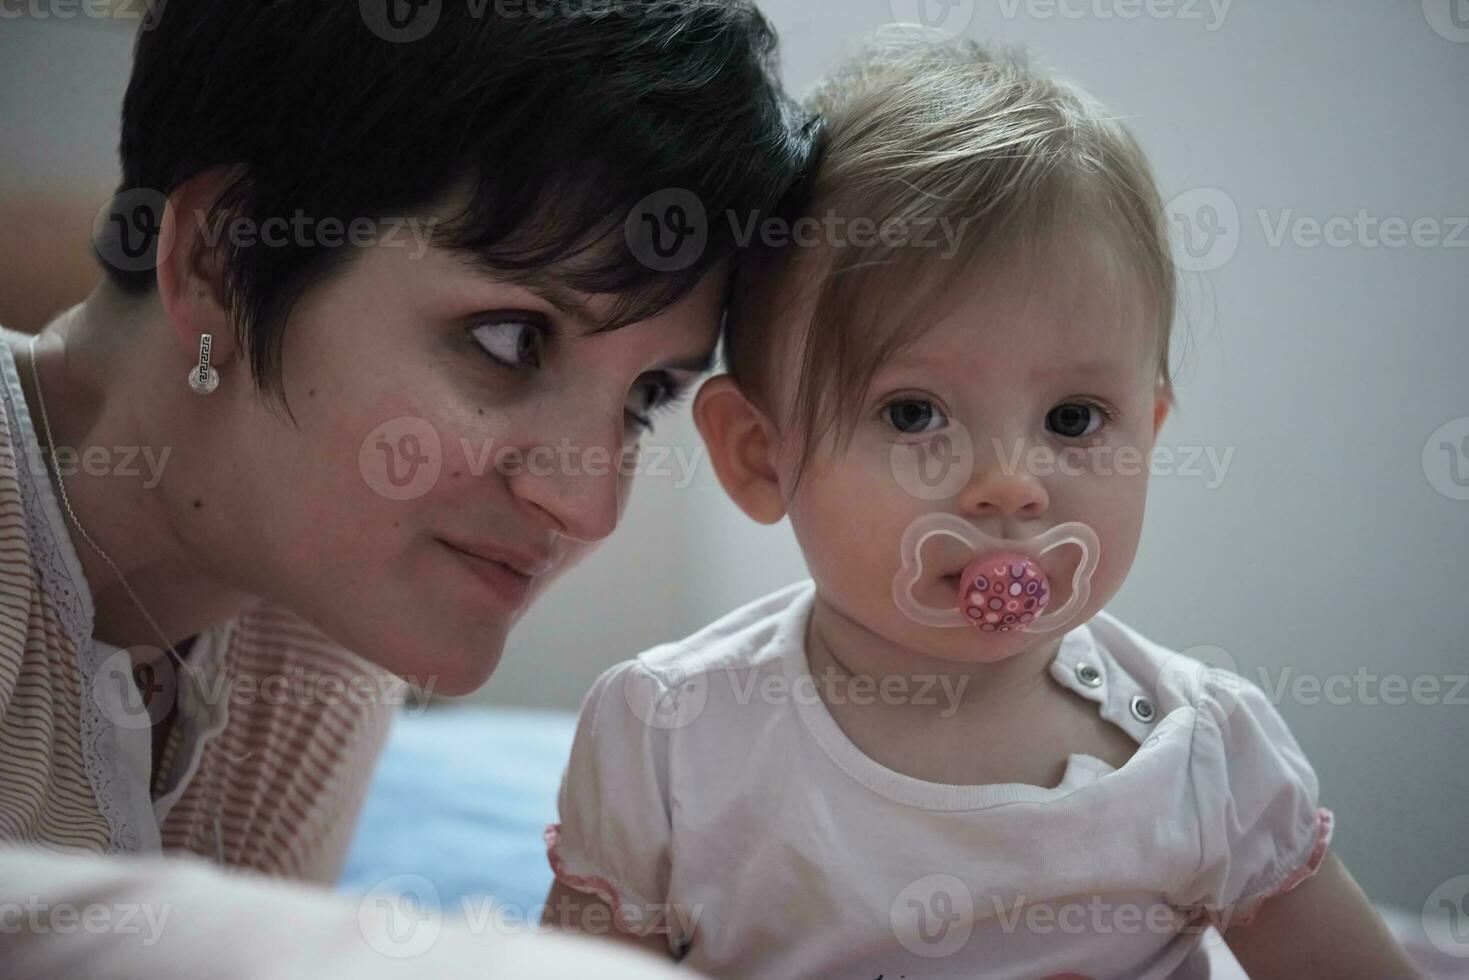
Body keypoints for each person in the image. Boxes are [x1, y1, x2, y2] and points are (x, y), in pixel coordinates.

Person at [541, 32, 1421, 979]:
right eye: (914, 412)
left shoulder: (1205, 753)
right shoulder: (668, 735)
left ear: (1150, 433)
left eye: (1074, 417)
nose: (1010, 480)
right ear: (761, 455)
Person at [0, 0, 814, 975]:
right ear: (222, 252)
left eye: (643, 398)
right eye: (509, 339)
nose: (587, 505)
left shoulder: (314, 640)